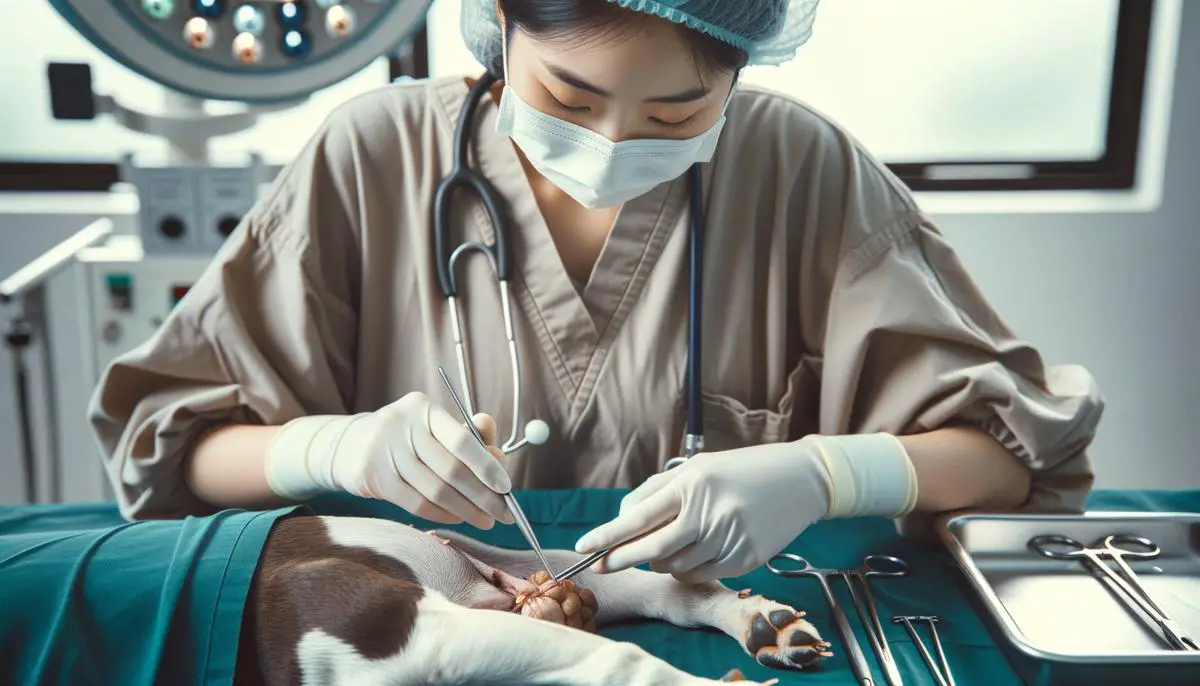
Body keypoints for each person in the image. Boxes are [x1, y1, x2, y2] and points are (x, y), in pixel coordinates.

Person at [90, 0, 1103, 584]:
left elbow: (1010, 460)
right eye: (567, 99)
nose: (614, 143)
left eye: (676, 112)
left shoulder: (801, 171)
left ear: (740, 74)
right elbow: (172, 447)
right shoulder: (373, 157)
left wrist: (824, 473)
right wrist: (331, 447)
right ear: (495, 19)